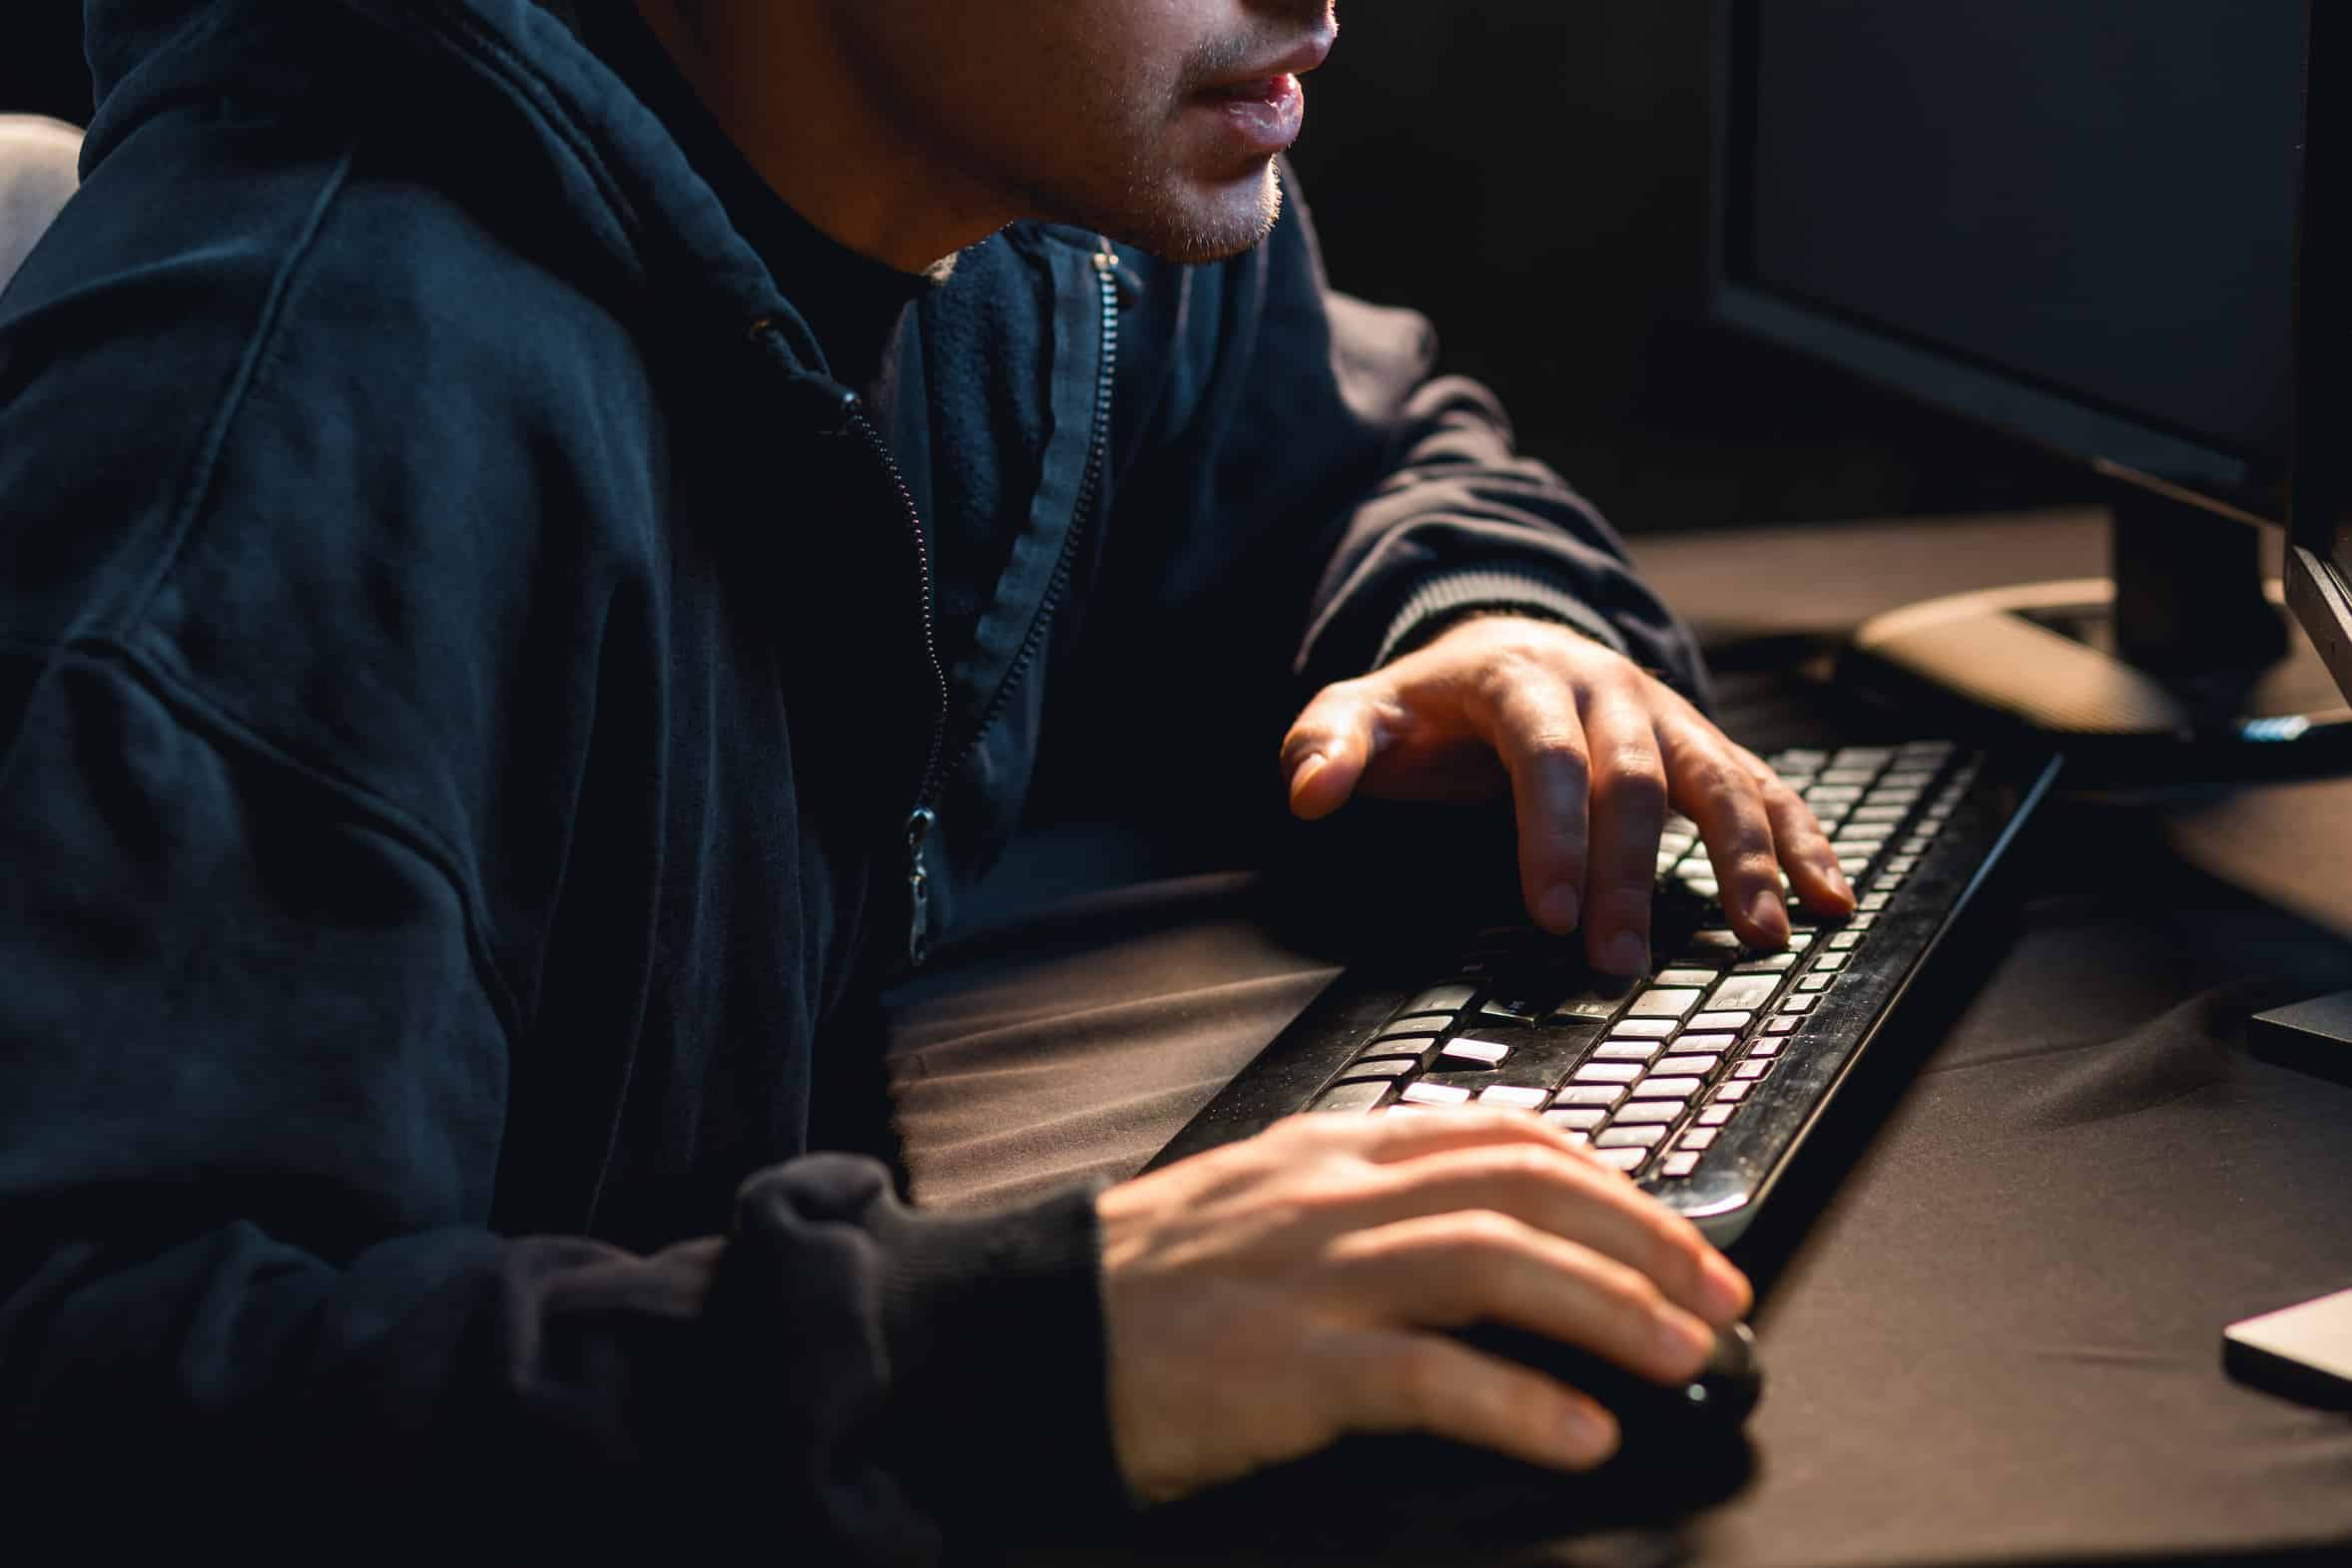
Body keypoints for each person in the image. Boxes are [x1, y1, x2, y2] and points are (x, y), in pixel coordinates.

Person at [0, 0, 1853, 1551]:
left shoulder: (1040, 201)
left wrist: (1484, 618)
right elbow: (81, 1383)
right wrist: (1025, 1350)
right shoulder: (291, 437)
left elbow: (1357, 449)